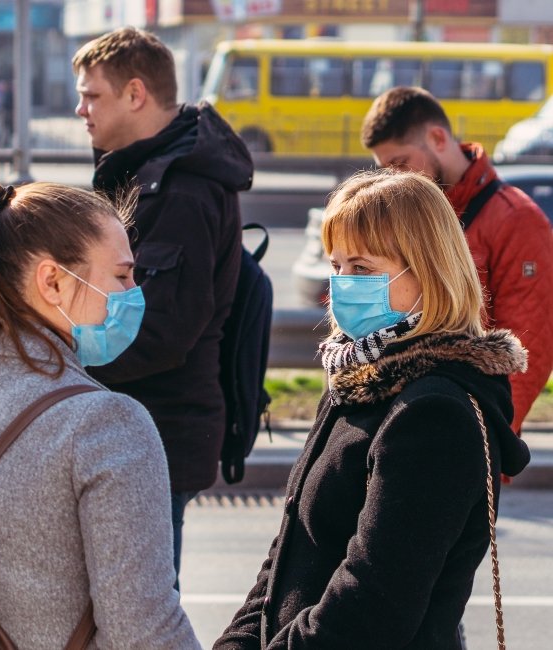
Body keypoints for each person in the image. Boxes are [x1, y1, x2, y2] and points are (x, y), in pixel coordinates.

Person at [215, 170, 531, 649]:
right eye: (336, 266)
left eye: (361, 269)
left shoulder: (432, 414)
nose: (341, 285)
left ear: (429, 271)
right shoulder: (358, 380)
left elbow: (371, 605)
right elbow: (287, 556)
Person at [0, 180, 199, 649]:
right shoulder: (105, 425)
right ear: (52, 282)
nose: (135, 292)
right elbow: (145, 631)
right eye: (122, 276)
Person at [72, 26, 251, 578]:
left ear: (135, 94)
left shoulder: (181, 191)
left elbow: (161, 331)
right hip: (138, 427)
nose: (80, 110)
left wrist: (59, 359)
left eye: (92, 95)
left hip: (157, 433)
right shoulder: (137, 172)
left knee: (142, 616)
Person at [361, 86, 553, 437]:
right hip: (394, 421)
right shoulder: (404, 212)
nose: (393, 177)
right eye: (384, 168)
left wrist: (489, 437)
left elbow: (528, 347)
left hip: (463, 429)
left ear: (437, 138)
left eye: (399, 163)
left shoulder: (517, 218)